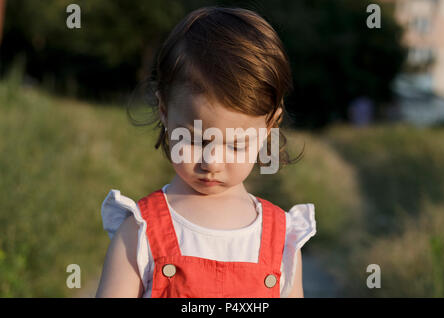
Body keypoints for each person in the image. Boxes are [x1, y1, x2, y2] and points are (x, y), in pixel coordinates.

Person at [96, 6, 317, 298]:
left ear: (269, 127)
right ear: (164, 111)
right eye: (195, 140)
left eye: (236, 144)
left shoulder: (282, 241)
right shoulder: (140, 233)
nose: (211, 162)